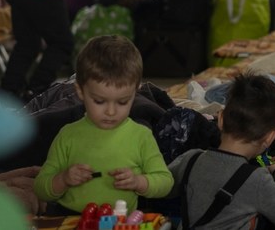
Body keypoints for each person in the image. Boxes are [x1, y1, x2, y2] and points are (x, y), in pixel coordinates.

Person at [34, 36, 173, 214]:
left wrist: (139, 182)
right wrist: (63, 179)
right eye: (99, 101)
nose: (111, 111)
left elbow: (165, 181)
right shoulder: (68, 135)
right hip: (73, 220)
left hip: (120, 222)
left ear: (136, 91)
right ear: (80, 91)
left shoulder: (141, 136)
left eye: (122, 102)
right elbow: (40, 187)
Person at [168, 74, 275, 230]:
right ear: (271, 137)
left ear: (220, 119)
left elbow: (159, 187)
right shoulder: (258, 180)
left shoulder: (190, 159)